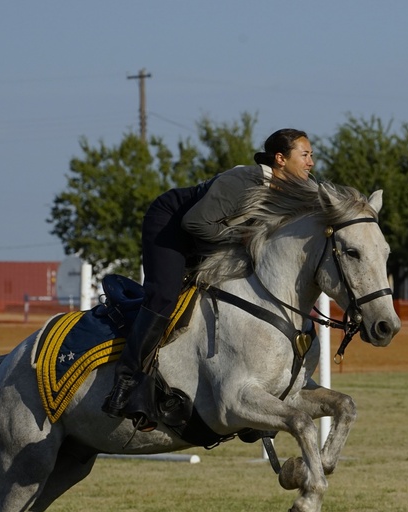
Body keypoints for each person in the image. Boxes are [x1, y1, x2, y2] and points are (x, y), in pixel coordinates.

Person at [103, 128, 315, 421]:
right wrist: (243, 236)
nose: (311, 162)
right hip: (171, 226)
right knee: (164, 297)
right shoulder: (242, 181)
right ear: (280, 159)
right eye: (305, 155)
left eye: (311, 156)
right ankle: (126, 382)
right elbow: (195, 223)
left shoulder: (295, 191)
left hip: (209, 235)